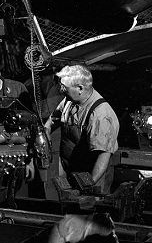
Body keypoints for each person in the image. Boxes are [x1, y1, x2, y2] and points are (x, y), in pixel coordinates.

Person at [44, 64, 119, 194]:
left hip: (94, 176)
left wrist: (88, 184)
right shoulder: (69, 101)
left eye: (64, 87)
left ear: (80, 88)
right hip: (73, 172)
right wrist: (45, 137)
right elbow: (50, 122)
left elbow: (103, 155)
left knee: (90, 210)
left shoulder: (100, 115)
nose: (61, 89)